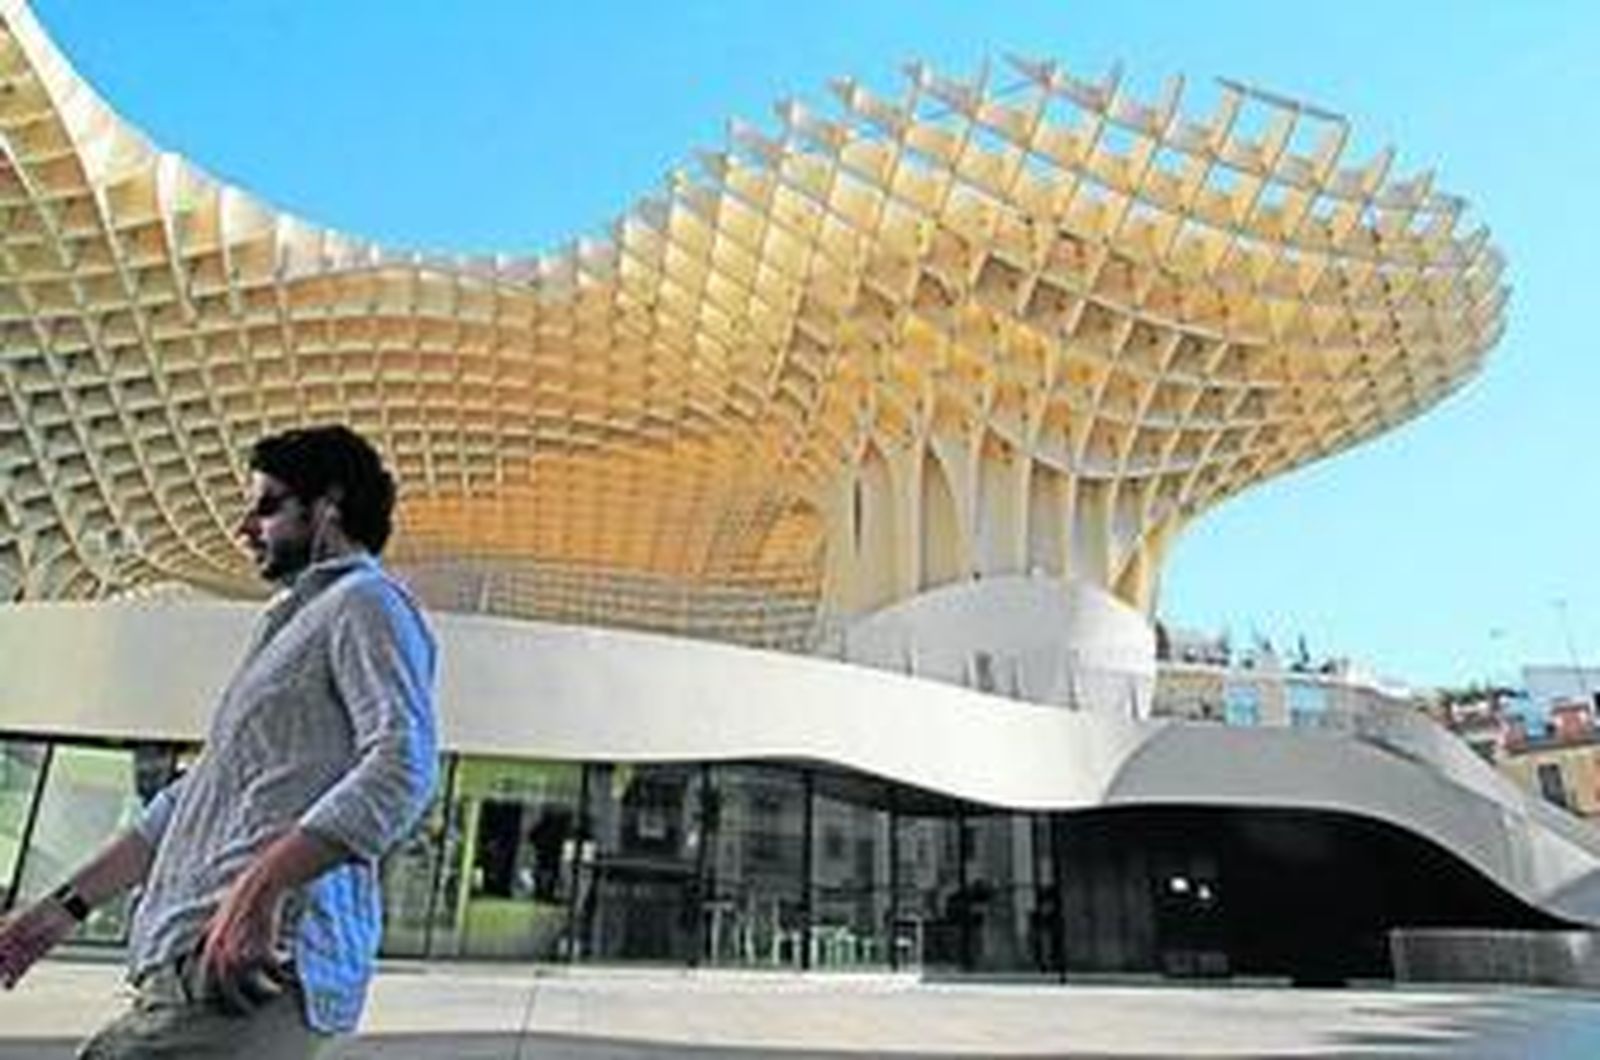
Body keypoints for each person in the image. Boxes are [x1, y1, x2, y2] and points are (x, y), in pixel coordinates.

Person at [0, 425, 439, 1058]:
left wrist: (260, 887)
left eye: (267, 506)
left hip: (247, 975)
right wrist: (54, 915)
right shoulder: (289, 625)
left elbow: (404, 765)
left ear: (328, 507)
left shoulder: (366, 603)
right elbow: (185, 807)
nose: (243, 528)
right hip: (188, 976)